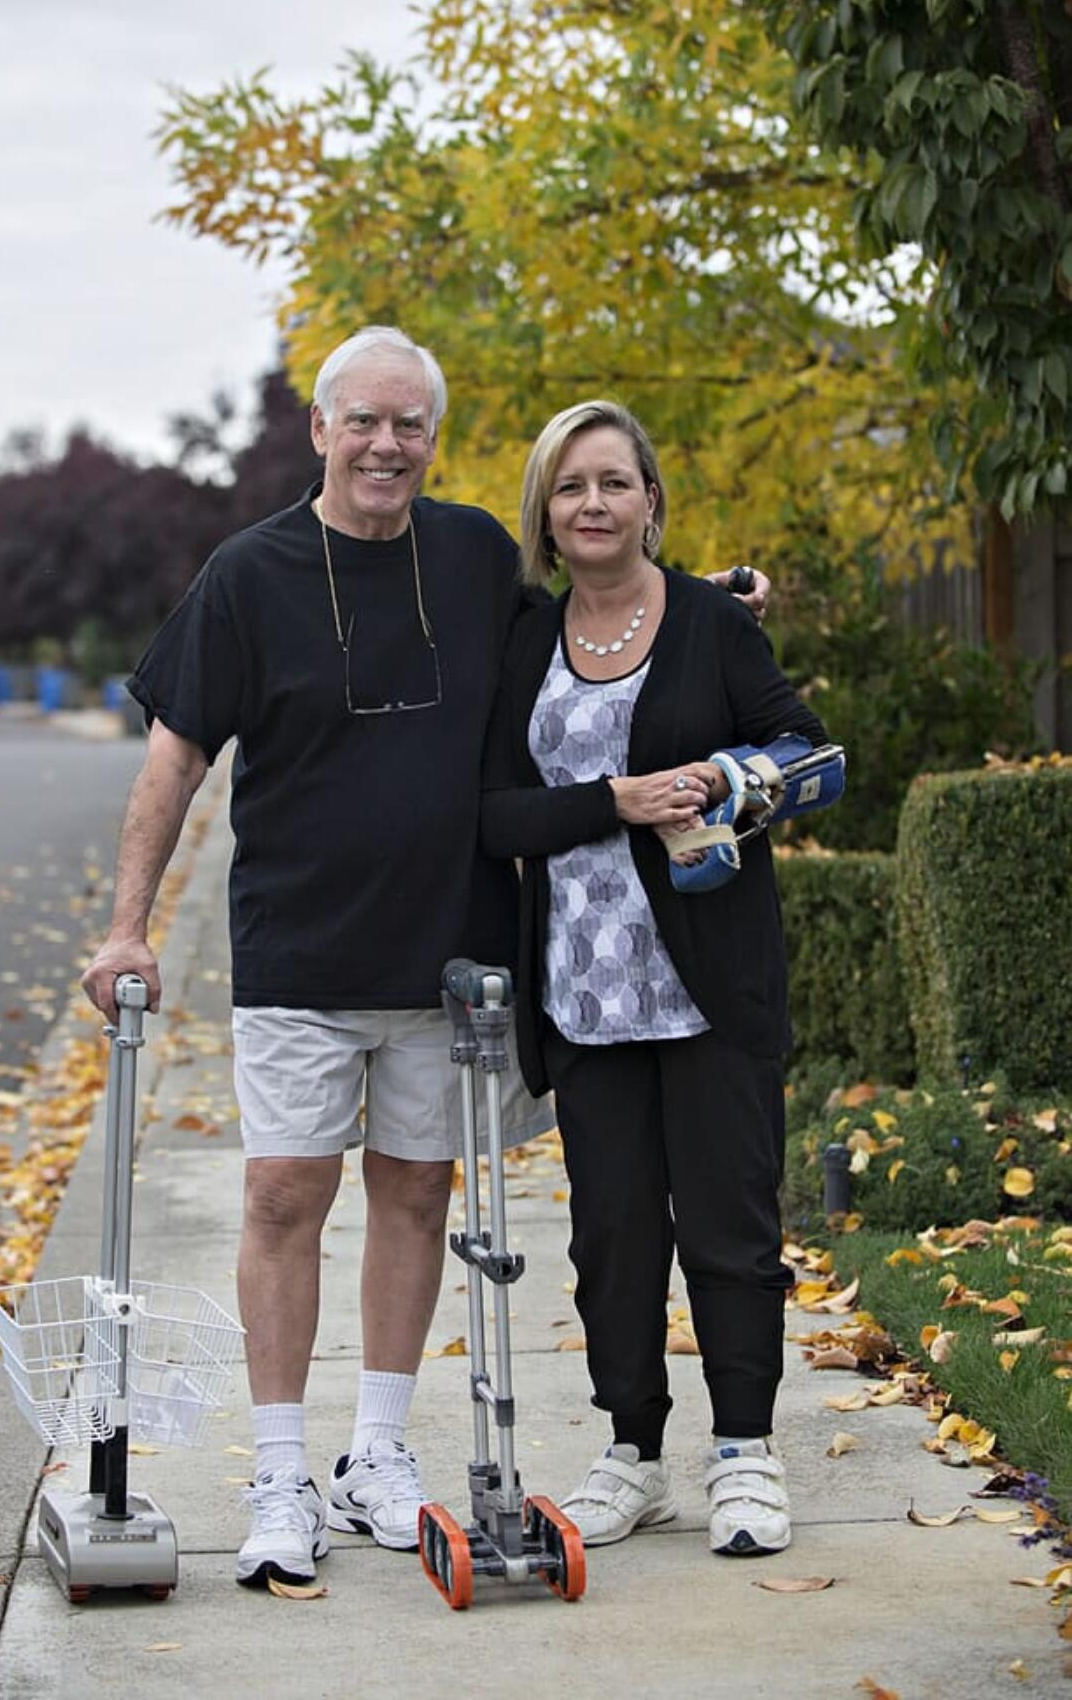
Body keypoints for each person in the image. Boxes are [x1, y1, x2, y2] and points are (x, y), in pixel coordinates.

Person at [81, 331, 770, 1593]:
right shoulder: (247, 576)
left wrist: (707, 592)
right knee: (285, 1199)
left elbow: (591, 617)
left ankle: (376, 1455)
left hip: (451, 958)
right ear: (320, 431)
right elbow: (175, 761)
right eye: (364, 423)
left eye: (409, 426)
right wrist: (128, 925)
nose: (386, 445)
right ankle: (280, 1468)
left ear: (432, 441)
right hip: (297, 950)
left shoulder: (466, 553)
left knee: (413, 1200)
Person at [481, 399, 834, 1559]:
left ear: (650, 501)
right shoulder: (524, 639)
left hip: (707, 986)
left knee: (728, 1233)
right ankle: (632, 1455)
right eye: (570, 486)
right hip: (583, 997)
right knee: (611, 1239)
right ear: (545, 511)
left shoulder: (709, 626)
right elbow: (492, 814)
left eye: (613, 483)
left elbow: (808, 751)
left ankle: (743, 1454)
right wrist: (614, 800)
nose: (591, 504)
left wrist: (732, 783)